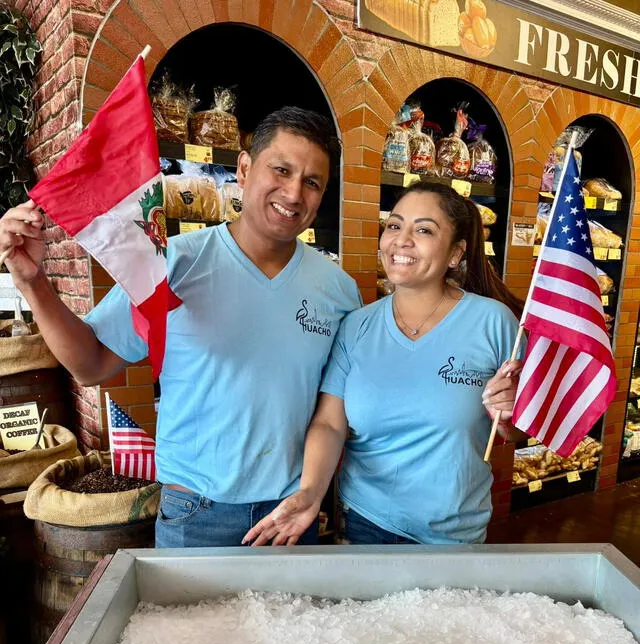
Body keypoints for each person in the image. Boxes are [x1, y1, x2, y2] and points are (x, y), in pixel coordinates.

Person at [0, 107, 362, 546]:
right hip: (196, 513)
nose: (293, 192)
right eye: (281, 170)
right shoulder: (173, 264)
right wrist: (31, 281)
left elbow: (334, 412)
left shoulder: (338, 291)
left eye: (312, 182)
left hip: (290, 515)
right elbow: (91, 364)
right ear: (244, 169)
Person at [243, 182, 523, 547]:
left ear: (456, 253)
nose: (401, 240)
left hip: (454, 534)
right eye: (394, 225)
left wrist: (512, 414)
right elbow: (330, 423)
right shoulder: (357, 326)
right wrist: (310, 492)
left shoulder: (494, 322)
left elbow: (516, 431)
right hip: (365, 522)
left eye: (424, 230)